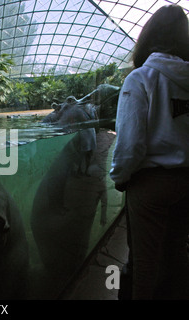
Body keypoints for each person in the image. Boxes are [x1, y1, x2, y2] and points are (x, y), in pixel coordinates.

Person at [110, 4, 189, 300]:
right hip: (186, 180)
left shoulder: (141, 78)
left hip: (152, 185)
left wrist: (120, 177)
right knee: (177, 253)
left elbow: (131, 143)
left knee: (145, 263)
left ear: (148, 36)